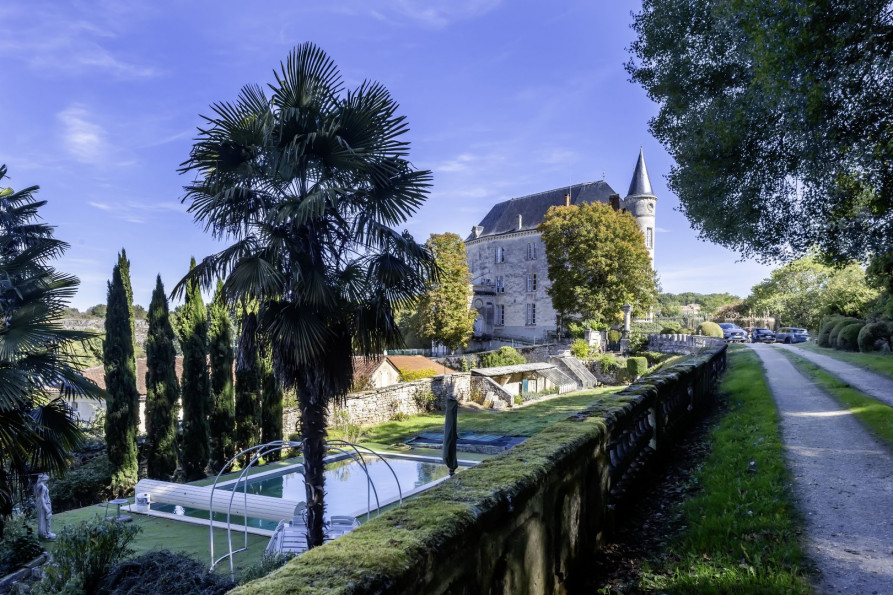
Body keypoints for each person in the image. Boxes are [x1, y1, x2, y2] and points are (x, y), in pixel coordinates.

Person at [33, 473, 56, 540]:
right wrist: (46, 508)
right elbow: (42, 498)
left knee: (44, 518)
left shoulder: (40, 485)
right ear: (44, 478)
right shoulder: (43, 487)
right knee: (48, 518)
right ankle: (47, 533)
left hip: (45, 503)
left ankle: (44, 533)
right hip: (46, 503)